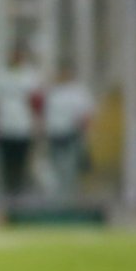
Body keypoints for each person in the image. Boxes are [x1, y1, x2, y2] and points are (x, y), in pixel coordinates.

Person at [0, 43, 41, 200]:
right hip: (4, 125)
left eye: (19, 54)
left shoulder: (30, 76)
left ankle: (20, 194)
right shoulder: (0, 76)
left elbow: (36, 102)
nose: (16, 57)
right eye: (13, 54)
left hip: (24, 125)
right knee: (6, 163)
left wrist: (37, 124)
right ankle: (8, 195)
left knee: (22, 162)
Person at [43, 66, 94, 200]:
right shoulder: (52, 91)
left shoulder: (78, 92)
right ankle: (57, 195)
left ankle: (70, 194)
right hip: (54, 133)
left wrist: (84, 131)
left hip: (71, 133)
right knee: (55, 165)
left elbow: (86, 113)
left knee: (70, 166)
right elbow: (45, 112)